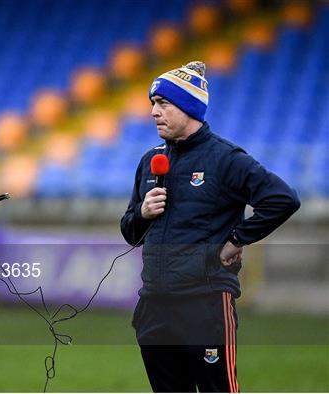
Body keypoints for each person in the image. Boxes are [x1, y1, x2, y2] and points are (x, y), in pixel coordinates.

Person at [120, 61, 300, 392]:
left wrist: (237, 238)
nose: (154, 112)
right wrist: (143, 213)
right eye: (152, 104)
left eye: (163, 104)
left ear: (189, 106)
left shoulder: (226, 158)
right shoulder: (150, 161)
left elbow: (282, 199)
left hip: (204, 304)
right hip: (155, 305)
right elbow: (130, 232)